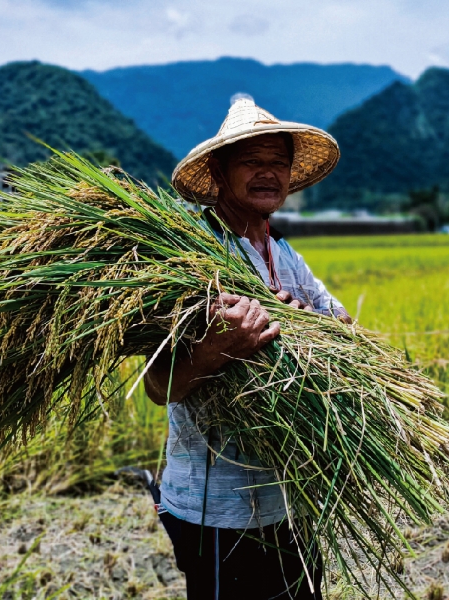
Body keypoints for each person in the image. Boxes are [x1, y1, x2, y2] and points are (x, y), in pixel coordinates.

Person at [144, 97, 351, 600]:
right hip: (218, 508)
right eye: (252, 162)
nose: (268, 174)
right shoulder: (189, 253)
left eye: (278, 163)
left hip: (292, 496)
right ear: (218, 169)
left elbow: (344, 324)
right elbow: (156, 385)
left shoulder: (281, 250)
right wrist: (221, 349)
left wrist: (308, 329)